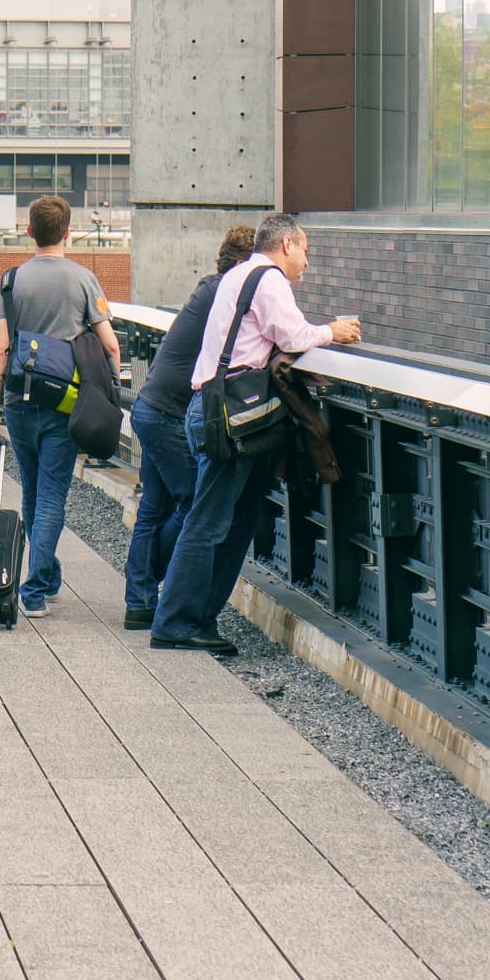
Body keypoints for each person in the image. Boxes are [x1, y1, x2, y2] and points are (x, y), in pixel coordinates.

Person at [149, 214, 361, 655]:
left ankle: (198, 618)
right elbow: (293, 334)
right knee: (207, 523)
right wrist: (333, 332)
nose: (307, 260)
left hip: (210, 408)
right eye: (304, 249)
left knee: (239, 518)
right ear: (286, 245)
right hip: (232, 415)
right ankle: (176, 624)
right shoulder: (269, 280)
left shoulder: (239, 274)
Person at [0, 195, 121, 618]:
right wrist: (116, 390)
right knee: (53, 494)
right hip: (65, 402)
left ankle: (47, 573)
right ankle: (35, 589)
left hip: (20, 401)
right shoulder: (83, 279)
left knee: (34, 491)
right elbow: (109, 342)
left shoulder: (11, 280)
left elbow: (1, 348)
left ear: (29, 232)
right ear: (68, 232)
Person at [120, 223, 255, 632]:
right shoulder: (227, 295)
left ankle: (139, 601)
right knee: (196, 504)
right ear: (240, 265)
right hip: (169, 416)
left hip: (151, 407)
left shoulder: (209, 290)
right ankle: (162, 577)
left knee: (153, 510)